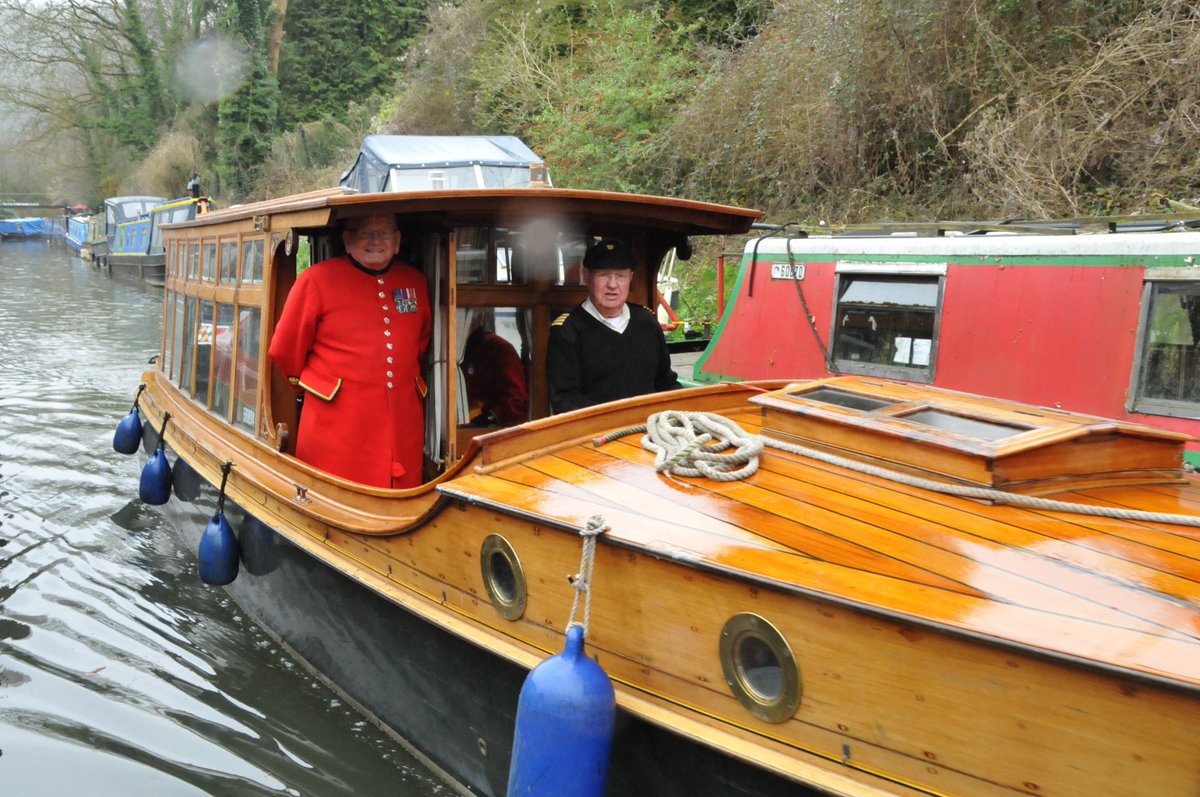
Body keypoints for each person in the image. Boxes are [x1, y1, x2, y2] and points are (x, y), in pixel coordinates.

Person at [269, 214, 431, 488]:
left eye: (384, 234)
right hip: (337, 425)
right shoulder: (315, 280)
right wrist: (312, 388)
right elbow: (284, 350)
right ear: (346, 240)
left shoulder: (415, 282)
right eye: (366, 234)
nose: (376, 241)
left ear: (398, 241)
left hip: (404, 422)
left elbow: (421, 343)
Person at [546, 238, 680, 413]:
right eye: (604, 275)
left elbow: (666, 382)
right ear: (586, 276)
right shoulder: (567, 330)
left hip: (652, 429)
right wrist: (618, 419)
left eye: (620, 276)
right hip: (600, 434)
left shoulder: (646, 321)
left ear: (630, 278)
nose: (612, 285)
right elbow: (565, 399)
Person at [461, 309, 528, 426]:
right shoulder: (453, 350)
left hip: (494, 432)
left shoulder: (499, 349)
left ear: (478, 317)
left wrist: (485, 418)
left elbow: (516, 400)